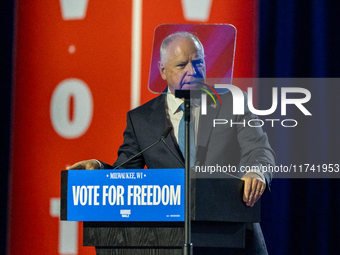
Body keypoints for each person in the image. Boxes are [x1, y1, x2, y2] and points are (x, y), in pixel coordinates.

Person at [68, 32, 276, 254]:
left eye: (198, 62)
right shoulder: (141, 120)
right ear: (163, 70)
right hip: (170, 241)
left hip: (232, 237)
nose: (192, 71)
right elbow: (125, 175)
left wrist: (256, 171)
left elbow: (259, 150)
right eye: (181, 65)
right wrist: (99, 170)